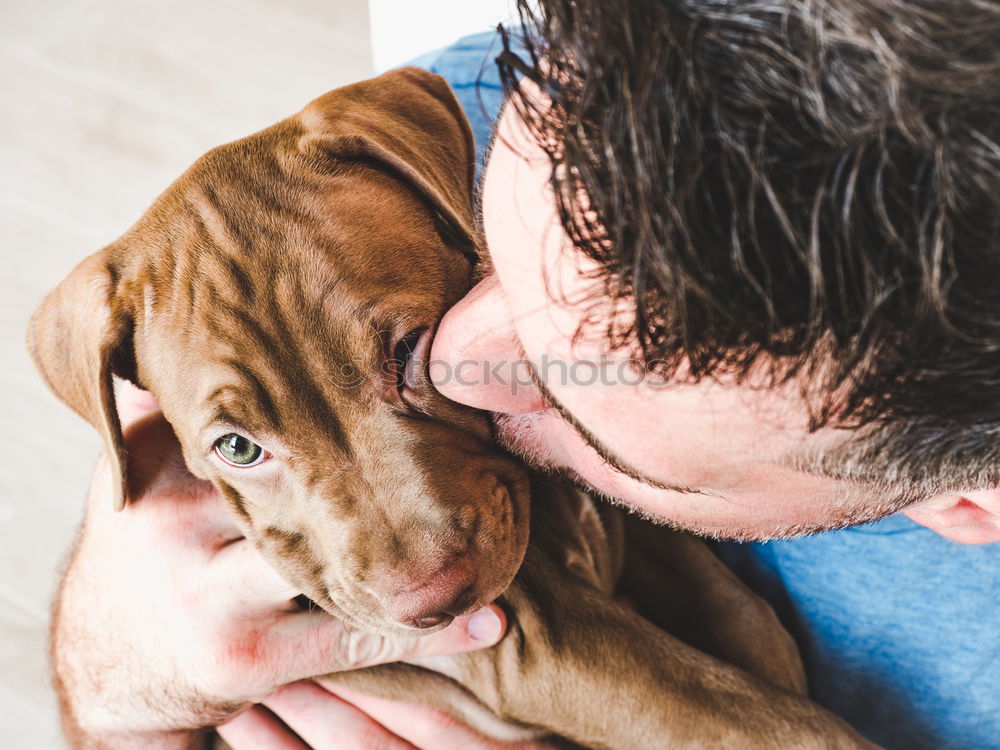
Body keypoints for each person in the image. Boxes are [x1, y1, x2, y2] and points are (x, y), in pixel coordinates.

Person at [51, 1, 1000, 748]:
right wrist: (119, 684)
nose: (472, 357)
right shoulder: (475, 117)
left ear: (968, 502)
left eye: (585, 380)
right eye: (494, 257)